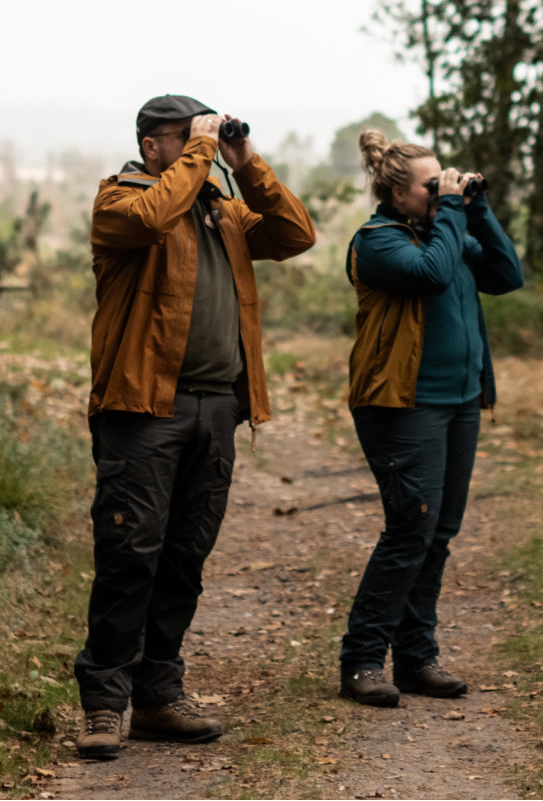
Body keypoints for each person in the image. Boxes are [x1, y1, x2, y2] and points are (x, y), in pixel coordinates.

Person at [73, 94, 316, 759]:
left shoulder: (219, 209)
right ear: (152, 145)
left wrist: (245, 160)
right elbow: (155, 214)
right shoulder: (121, 201)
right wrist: (204, 152)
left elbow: (295, 233)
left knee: (184, 556)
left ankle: (158, 694)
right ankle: (103, 701)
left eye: (205, 135)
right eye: (186, 137)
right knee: (130, 555)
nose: (201, 145)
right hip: (143, 408)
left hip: (216, 408)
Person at [338, 131, 522, 707]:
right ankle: (362, 663)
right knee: (409, 530)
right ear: (396, 192)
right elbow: (432, 274)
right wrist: (451, 213)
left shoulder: (445, 230)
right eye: (430, 183)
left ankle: (417, 659)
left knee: (438, 533)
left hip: (460, 402)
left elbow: (507, 275)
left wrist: (478, 207)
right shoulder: (378, 242)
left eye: (444, 179)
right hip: (403, 406)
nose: (442, 188)